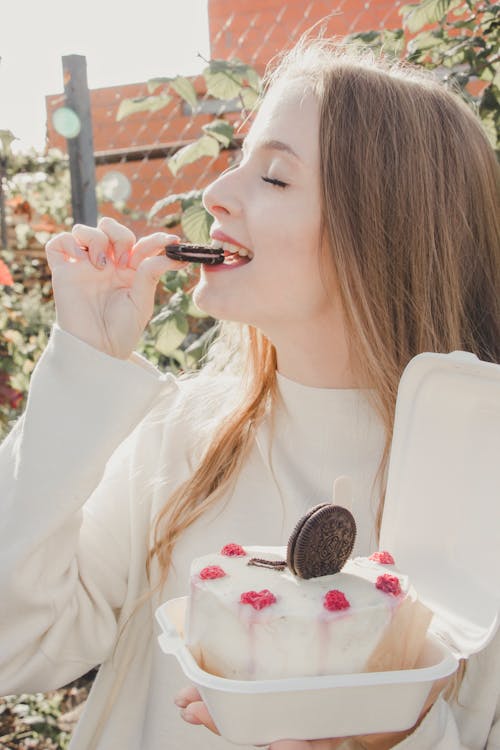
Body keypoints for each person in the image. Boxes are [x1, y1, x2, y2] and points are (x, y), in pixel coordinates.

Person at [1, 37, 499, 750]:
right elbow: (12, 643)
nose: (215, 194)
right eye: (238, 161)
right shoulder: (184, 437)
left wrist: (393, 736)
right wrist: (82, 366)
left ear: (379, 230)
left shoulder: (483, 485)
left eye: (273, 177)